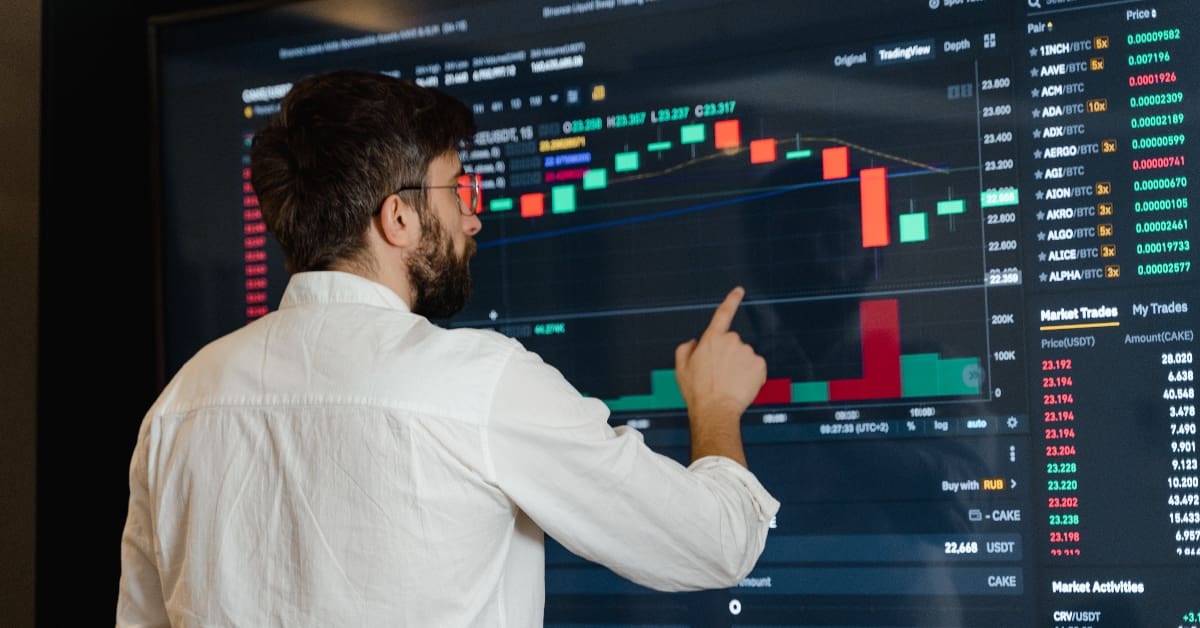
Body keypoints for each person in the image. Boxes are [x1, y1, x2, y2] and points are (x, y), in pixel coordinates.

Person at [117, 69, 779, 627]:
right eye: (457, 188)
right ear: (397, 217)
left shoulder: (181, 403)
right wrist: (715, 407)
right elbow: (714, 544)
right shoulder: (479, 383)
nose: (472, 217)